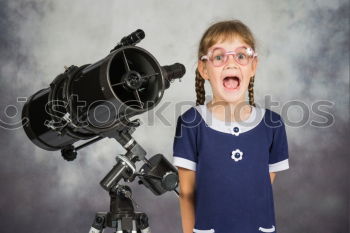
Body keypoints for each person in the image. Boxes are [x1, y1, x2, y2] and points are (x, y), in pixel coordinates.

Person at [172, 19, 290, 233]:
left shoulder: (272, 125)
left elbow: (260, 187)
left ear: (253, 65)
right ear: (204, 69)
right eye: (219, 57)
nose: (231, 63)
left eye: (241, 55)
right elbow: (187, 193)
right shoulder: (191, 123)